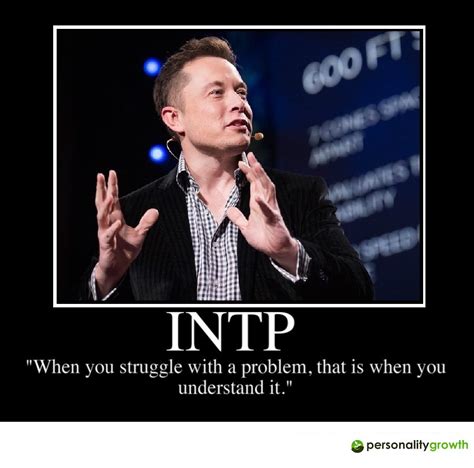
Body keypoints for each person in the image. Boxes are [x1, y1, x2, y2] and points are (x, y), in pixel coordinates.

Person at [80, 36, 373, 302]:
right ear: (174, 118)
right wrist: (107, 278)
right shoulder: (133, 215)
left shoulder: (300, 194)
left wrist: (289, 252)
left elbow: (358, 292)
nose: (239, 104)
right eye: (217, 93)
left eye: (241, 93)